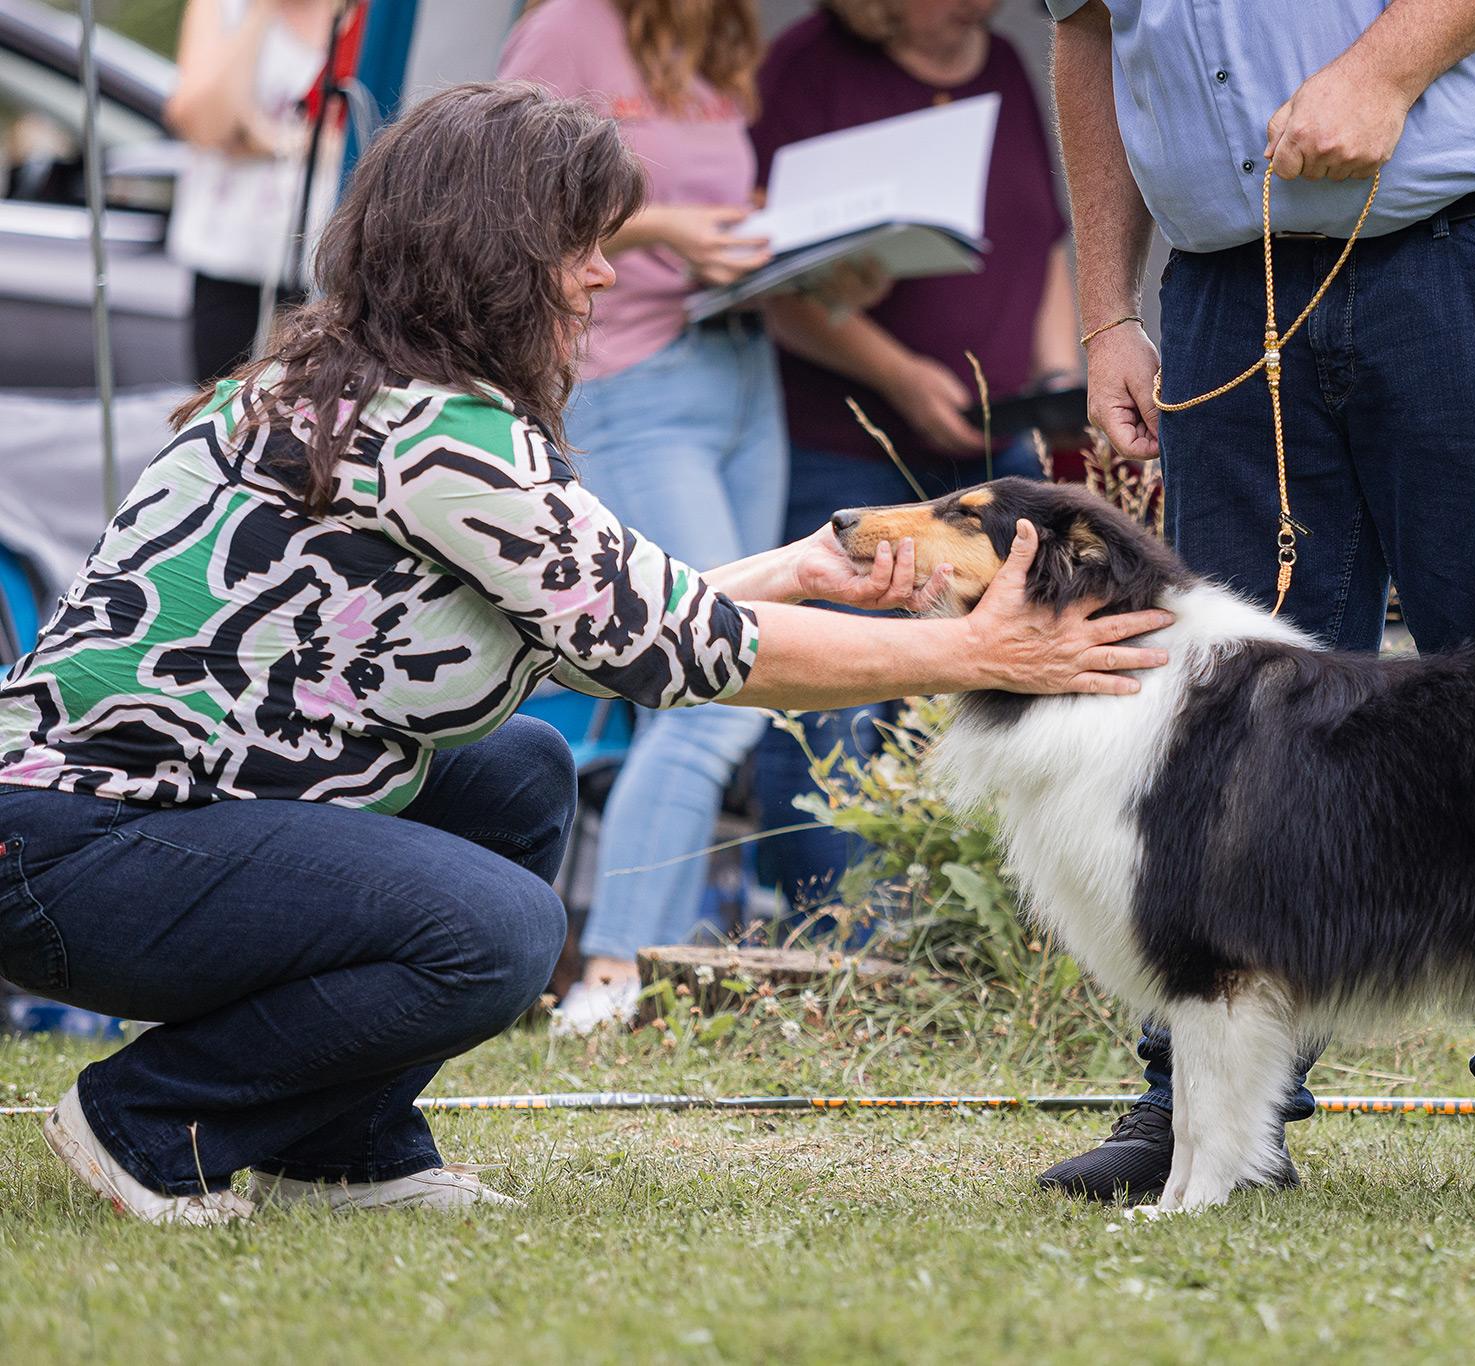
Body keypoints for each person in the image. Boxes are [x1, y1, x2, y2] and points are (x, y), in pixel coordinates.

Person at [0, 83, 1170, 1226]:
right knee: (497, 930)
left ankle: (340, 1146)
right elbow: (682, 654)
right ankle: (151, 1122)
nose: (605, 272)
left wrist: (797, 567)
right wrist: (977, 651)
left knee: (516, 768)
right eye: (580, 245)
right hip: (76, 854)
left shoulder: (343, 385)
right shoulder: (444, 442)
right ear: (494, 254)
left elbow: (600, 621)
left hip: (102, 830)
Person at [1043, 0, 1475, 1202]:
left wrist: (1384, 69)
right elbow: (1088, 29)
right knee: (1209, 727)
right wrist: (1106, 305)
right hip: (1229, 278)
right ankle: (1207, 1115)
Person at [747, 0, 1081, 922]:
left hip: (993, 447)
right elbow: (772, 274)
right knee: (830, 686)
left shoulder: (1009, 61)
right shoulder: (807, 65)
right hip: (846, 440)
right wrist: (898, 377)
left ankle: (956, 927)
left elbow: (1043, 242)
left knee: (1008, 662)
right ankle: (834, 933)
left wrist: (1056, 376)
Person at [499, 0, 796, 1032]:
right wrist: (666, 227)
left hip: (740, 369)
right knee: (710, 676)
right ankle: (611, 976)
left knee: (735, 670)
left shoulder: (715, 44)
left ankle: (649, 977)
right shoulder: (569, 28)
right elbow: (504, 206)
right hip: (630, 377)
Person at [165, 0, 345, 381]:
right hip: (234, 263)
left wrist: (254, 134)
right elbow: (208, 125)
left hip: (332, 266)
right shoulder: (225, 9)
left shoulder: (365, 16)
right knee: (227, 410)